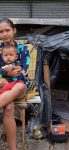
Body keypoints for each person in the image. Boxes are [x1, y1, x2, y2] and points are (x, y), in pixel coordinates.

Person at [0, 18, 30, 150]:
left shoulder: (23, 49)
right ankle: (13, 148)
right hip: (2, 87)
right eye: (1, 32)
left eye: (7, 30)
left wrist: (6, 73)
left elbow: (21, 70)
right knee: (8, 108)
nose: (4, 34)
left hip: (18, 87)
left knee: (20, 86)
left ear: (14, 31)